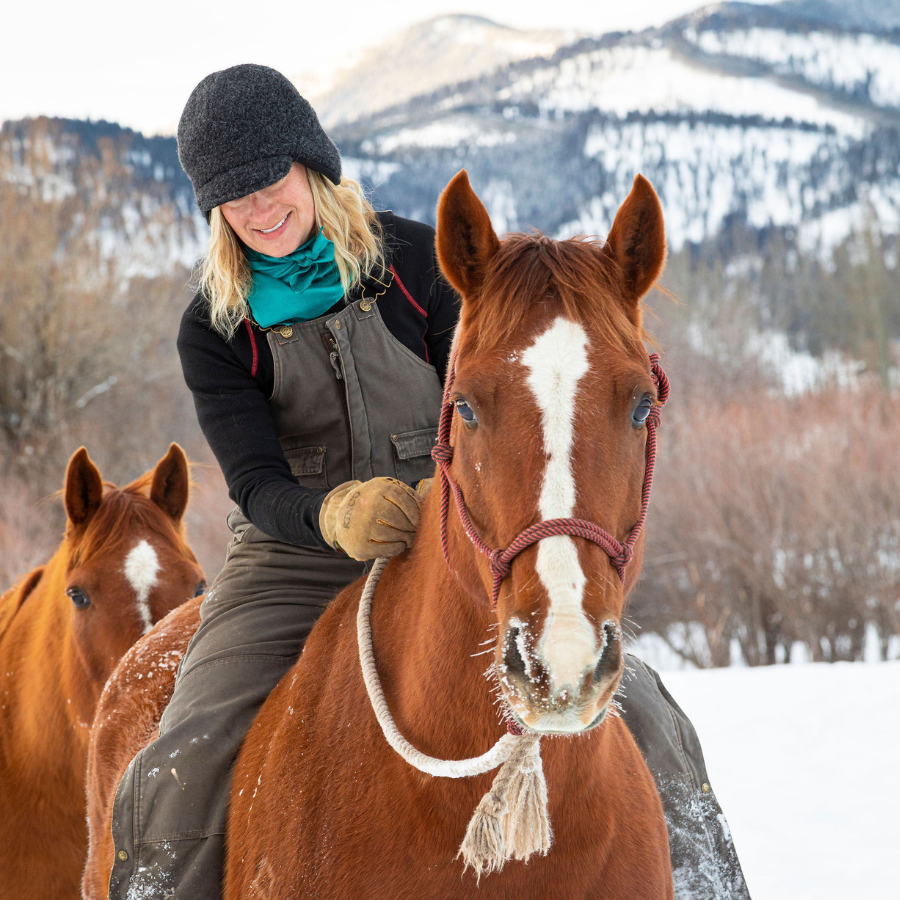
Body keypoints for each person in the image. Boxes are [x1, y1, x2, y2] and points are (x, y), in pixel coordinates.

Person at [108, 64, 750, 900]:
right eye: (235, 197)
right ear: (214, 210)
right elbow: (256, 484)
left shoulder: (418, 261)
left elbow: (502, 404)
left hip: (454, 527)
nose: (261, 209)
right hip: (291, 557)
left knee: (656, 725)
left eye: (272, 181)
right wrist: (331, 514)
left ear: (311, 166)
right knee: (183, 758)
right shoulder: (215, 324)